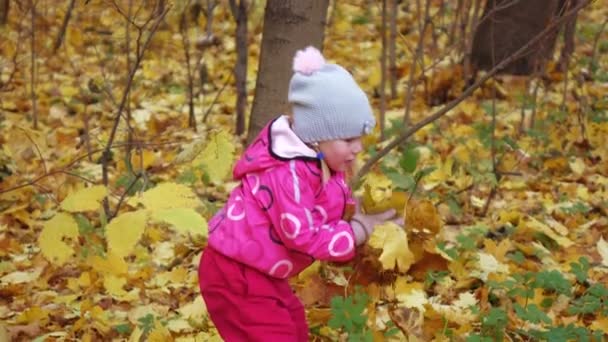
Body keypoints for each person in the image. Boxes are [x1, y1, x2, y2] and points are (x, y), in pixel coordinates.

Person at [198, 46, 397, 341]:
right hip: (235, 275)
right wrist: (356, 232)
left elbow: (333, 208)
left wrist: (373, 226)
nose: (358, 148)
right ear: (318, 135)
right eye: (349, 139)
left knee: (295, 330)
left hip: (263, 272)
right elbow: (304, 236)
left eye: (360, 139)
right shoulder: (287, 173)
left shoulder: (322, 164)